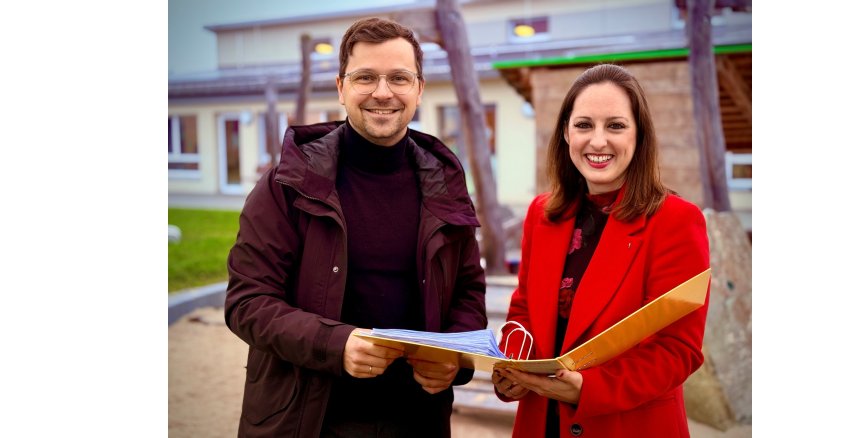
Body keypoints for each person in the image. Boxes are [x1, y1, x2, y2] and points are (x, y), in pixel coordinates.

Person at [224, 17, 487, 438]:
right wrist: (335, 344)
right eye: (366, 77)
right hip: (307, 419)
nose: (382, 92)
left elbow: (468, 291)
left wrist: (454, 357)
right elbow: (247, 302)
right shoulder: (287, 185)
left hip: (417, 420)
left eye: (399, 78)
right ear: (341, 87)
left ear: (419, 89)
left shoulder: (445, 185)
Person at [491, 64, 711, 437]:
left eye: (615, 125)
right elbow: (525, 309)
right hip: (540, 421)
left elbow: (677, 350)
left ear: (639, 135)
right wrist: (512, 368)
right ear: (565, 133)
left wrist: (590, 388)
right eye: (584, 125)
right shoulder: (542, 214)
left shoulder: (676, 221)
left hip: (627, 424)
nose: (597, 141)